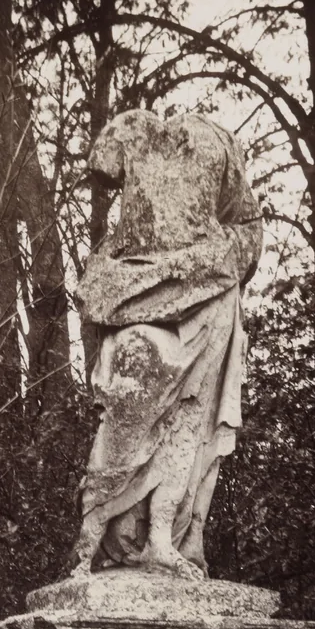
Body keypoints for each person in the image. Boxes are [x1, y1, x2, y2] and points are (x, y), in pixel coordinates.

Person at [73, 109, 262, 577]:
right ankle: (89, 539)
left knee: (187, 424)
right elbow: (105, 170)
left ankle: (161, 537)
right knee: (126, 421)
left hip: (208, 300)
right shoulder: (130, 130)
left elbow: (248, 231)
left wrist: (212, 263)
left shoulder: (219, 141)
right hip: (137, 297)